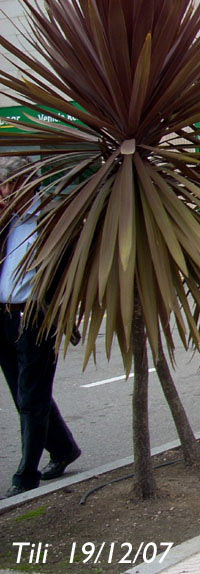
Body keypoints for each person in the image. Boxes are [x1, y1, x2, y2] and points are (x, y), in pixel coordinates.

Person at [0, 156, 80, 498]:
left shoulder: (51, 220)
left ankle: (26, 474)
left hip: (37, 316)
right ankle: (63, 449)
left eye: (8, 187)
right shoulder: (7, 220)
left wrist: (68, 315)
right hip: (5, 315)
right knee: (23, 393)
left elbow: (71, 271)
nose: (3, 193)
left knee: (32, 394)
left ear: (26, 185)